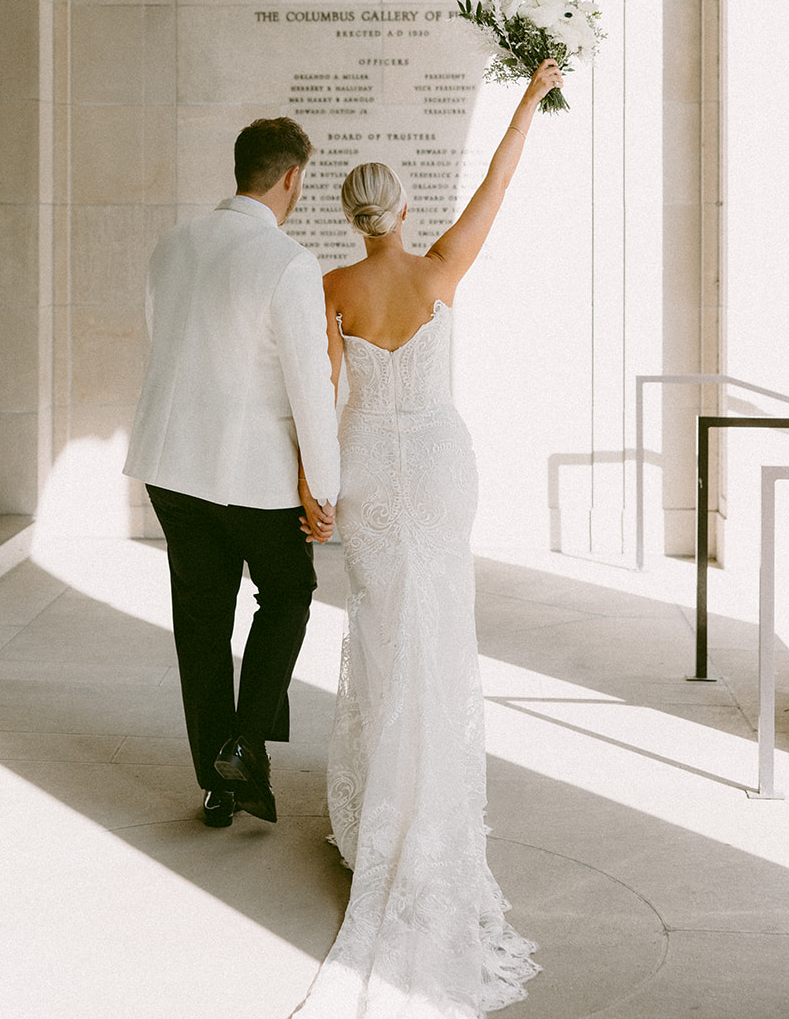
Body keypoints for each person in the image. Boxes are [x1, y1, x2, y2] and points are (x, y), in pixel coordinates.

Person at [291, 57, 562, 1018]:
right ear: (402, 211)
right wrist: (528, 97)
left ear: (350, 213)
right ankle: (430, 803)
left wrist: (307, 488)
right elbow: (498, 181)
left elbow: (320, 401)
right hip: (441, 467)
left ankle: (381, 806)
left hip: (367, 469)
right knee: (439, 629)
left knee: (380, 629)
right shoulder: (443, 269)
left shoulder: (328, 285)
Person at [124, 117, 340, 829]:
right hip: (250, 473)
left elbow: (170, 345)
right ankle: (244, 746)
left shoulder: (172, 245)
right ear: (290, 178)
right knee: (288, 593)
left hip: (170, 464)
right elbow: (310, 385)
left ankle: (219, 782)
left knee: (201, 619)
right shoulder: (287, 261)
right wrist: (324, 487)